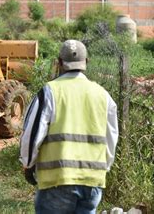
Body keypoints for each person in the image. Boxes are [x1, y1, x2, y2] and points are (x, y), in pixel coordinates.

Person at [20, 39, 118, 213]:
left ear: (59, 63)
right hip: (92, 181)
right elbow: (111, 138)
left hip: (58, 181)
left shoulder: (50, 92)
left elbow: (33, 134)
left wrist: (28, 164)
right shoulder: (103, 95)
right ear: (86, 62)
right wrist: (104, 167)